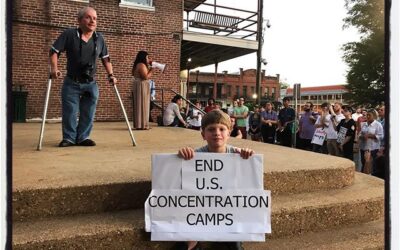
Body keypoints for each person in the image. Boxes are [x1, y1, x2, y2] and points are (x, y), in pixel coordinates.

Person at [177, 109, 254, 250]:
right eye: (211, 129)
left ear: (229, 133)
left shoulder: (236, 154)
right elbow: (183, 185)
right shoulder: (196, 156)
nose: (217, 133)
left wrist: (248, 157)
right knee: (188, 241)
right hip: (201, 207)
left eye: (222, 129)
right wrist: (183, 157)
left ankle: (229, 237)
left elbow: (248, 184)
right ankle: (193, 242)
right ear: (203, 135)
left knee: (235, 245)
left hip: (228, 208)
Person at [50, 7, 117, 147]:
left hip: (91, 83)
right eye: (88, 17)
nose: (92, 21)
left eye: (95, 18)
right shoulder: (69, 34)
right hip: (72, 81)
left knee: (88, 112)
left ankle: (83, 137)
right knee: (70, 111)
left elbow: (106, 59)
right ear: (79, 20)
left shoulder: (99, 39)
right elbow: (54, 51)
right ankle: (69, 138)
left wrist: (111, 75)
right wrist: (54, 69)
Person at [358, 109, 384, 174]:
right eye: (367, 115)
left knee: (372, 165)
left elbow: (381, 136)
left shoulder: (378, 124)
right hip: (363, 147)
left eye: (370, 115)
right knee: (364, 163)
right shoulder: (364, 124)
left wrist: (371, 136)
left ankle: (372, 178)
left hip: (373, 149)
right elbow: (360, 134)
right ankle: (364, 177)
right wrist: (362, 136)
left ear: (374, 116)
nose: (368, 116)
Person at [132, 50, 153, 130]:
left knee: (141, 105)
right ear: (143, 57)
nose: (148, 59)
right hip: (141, 85)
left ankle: (141, 124)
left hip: (140, 85)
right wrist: (152, 69)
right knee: (142, 104)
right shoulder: (141, 65)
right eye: (147, 57)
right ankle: (142, 125)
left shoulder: (138, 64)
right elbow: (145, 77)